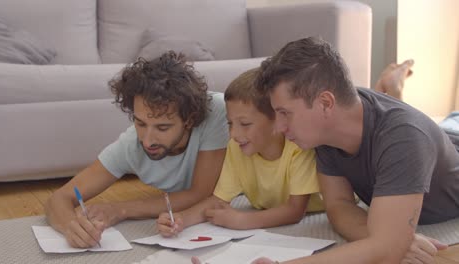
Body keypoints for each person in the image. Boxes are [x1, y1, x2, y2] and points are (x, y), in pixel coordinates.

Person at [247, 37, 459, 263]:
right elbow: (338, 205)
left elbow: (386, 252)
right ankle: (391, 89)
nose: (278, 128)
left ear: (326, 103)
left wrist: (388, 242)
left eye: (285, 113)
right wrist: (389, 239)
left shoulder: (405, 137)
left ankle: (393, 90)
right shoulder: (328, 128)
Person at [45, 51, 228, 248]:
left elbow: (200, 193)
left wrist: (120, 210)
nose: (147, 141)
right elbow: (59, 198)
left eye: (162, 127)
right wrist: (72, 228)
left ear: (189, 120)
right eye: (140, 123)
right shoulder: (130, 145)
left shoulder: (217, 111)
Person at [156, 68, 324, 237]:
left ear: (277, 120)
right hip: (267, 211)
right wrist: (181, 219)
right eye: (230, 124)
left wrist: (242, 220)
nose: (234, 134)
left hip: (317, 213)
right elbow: (218, 201)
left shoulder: (298, 148)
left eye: (245, 124)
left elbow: (295, 211)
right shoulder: (236, 148)